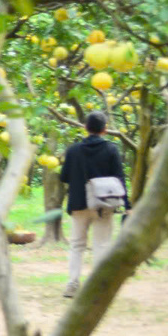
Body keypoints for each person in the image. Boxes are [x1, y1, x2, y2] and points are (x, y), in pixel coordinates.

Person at [60, 110, 128, 298]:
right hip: (103, 205)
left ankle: (72, 285)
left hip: (79, 204)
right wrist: (127, 204)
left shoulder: (73, 150)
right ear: (105, 130)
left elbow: (64, 177)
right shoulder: (111, 150)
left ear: (85, 128)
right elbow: (120, 179)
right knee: (102, 245)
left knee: (77, 245)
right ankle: (97, 287)